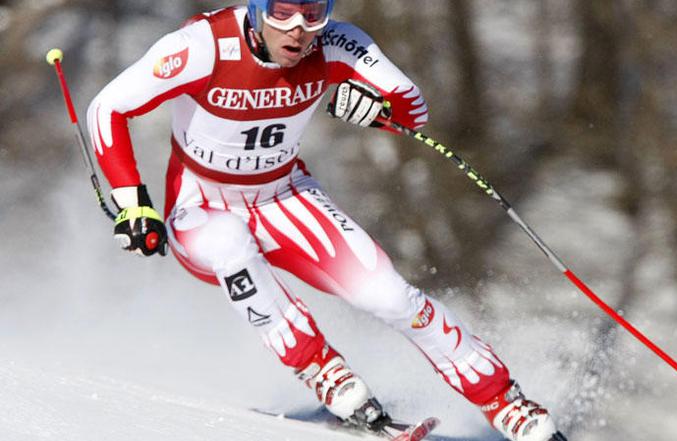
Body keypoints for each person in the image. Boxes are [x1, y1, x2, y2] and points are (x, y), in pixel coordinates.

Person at [86, 1, 562, 440]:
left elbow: (412, 107)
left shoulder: (337, 42)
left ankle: (506, 403)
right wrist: (134, 204)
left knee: (388, 295)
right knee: (230, 244)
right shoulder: (203, 46)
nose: (298, 29)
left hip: (286, 195)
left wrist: (378, 110)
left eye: (313, 13)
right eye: (283, 11)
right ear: (257, 7)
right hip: (202, 204)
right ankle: (323, 372)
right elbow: (107, 107)